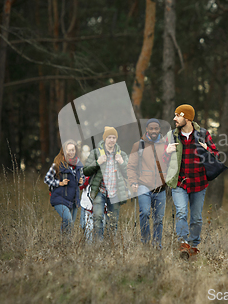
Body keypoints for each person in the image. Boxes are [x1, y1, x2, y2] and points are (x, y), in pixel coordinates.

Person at [164, 104, 219, 257]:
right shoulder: (171, 136)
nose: (175, 118)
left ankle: (193, 246)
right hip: (179, 183)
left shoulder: (203, 134)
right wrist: (166, 152)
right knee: (181, 212)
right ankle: (183, 244)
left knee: (196, 218)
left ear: (187, 118)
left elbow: (216, 155)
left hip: (199, 183)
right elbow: (161, 160)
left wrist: (207, 150)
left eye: (178, 115)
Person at [83, 126, 129, 241]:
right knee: (98, 217)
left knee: (113, 221)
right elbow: (85, 170)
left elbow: (129, 174)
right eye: (109, 137)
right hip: (100, 191)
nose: (111, 140)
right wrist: (97, 162)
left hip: (115, 193)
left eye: (114, 137)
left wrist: (122, 163)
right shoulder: (96, 153)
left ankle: (110, 246)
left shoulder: (121, 155)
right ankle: (99, 244)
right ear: (104, 139)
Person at [127, 118, 168, 249]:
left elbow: (171, 164)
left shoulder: (166, 145)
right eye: (151, 128)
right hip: (143, 185)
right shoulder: (138, 145)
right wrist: (133, 182)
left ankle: (157, 245)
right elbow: (131, 166)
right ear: (147, 130)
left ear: (159, 129)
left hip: (161, 187)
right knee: (144, 213)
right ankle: (145, 242)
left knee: (159, 219)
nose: (154, 131)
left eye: (156, 128)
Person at [44, 139, 84, 235]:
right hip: (59, 198)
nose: (70, 152)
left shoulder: (78, 165)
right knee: (68, 220)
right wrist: (59, 183)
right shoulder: (57, 165)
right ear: (64, 151)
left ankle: (65, 245)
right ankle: (64, 243)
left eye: (72, 150)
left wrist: (82, 181)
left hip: (73, 200)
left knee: (69, 225)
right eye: (68, 150)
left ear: (75, 151)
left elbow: (82, 179)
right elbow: (47, 179)